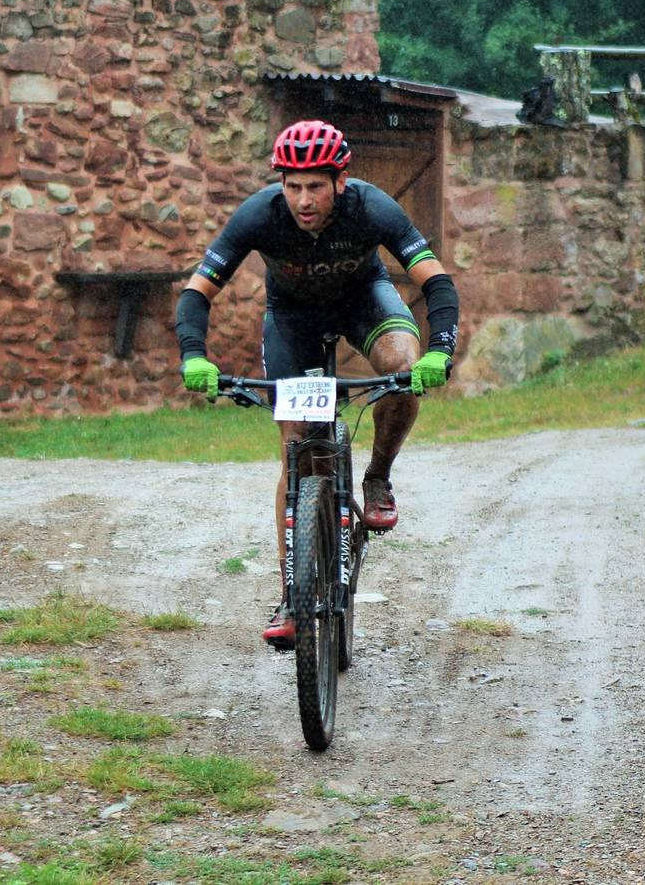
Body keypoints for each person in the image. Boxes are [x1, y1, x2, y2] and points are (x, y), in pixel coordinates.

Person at [174, 119, 459, 646]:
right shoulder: (259, 215)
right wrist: (194, 356)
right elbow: (196, 293)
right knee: (296, 446)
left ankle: (376, 477)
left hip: (364, 300)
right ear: (281, 183)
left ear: (340, 182)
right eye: (293, 185)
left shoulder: (373, 207)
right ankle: (292, 592)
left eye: (316, 186)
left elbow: (435, 281)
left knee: (401, 366)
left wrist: (440, 349)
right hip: (292, 320)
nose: (303, 199)